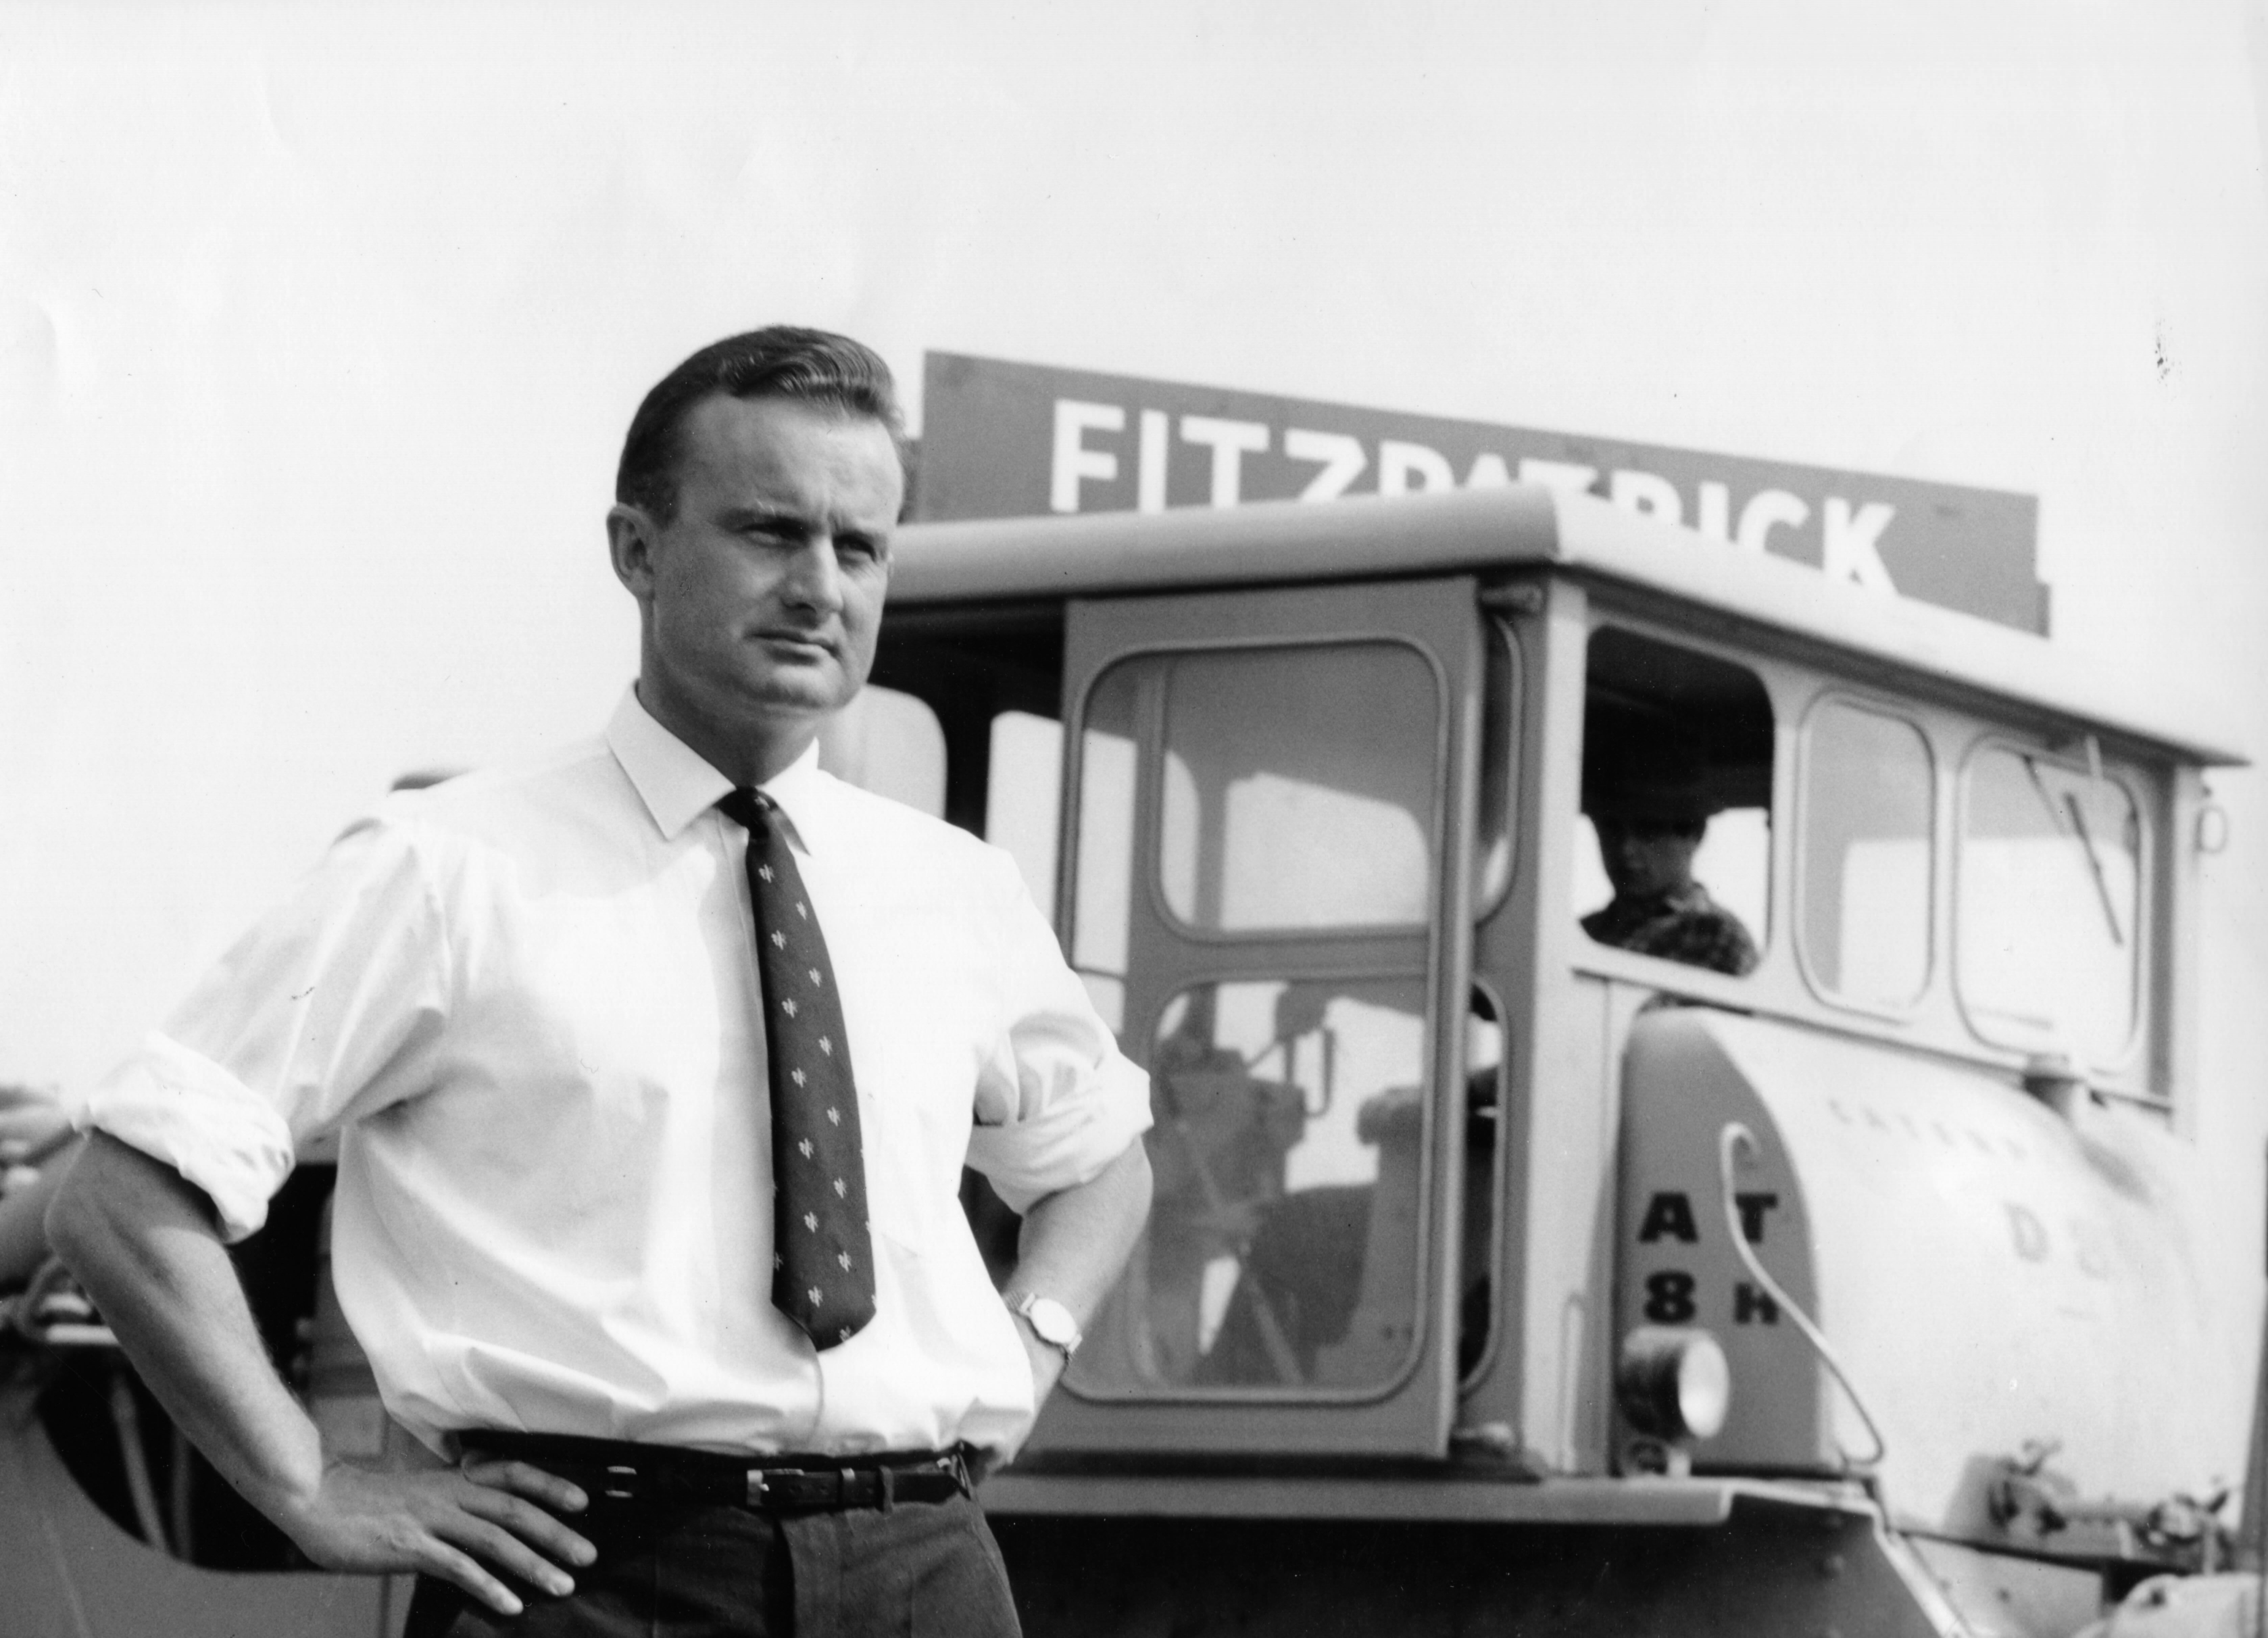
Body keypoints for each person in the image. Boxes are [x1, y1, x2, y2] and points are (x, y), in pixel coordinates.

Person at [45, 327, 1155, 1637]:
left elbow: (1100, 1157)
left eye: (858, 549)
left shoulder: (954, 889)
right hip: (594, 1576)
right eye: (768, 532)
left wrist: (1036, 1341)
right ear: (635, 549)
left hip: (929, 1568)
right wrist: (311, 1486)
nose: (819, 585)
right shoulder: (446, 869)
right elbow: (120, 1195)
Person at [1579, 730, 1759, 977]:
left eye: (1647, 831)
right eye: (1612, 829)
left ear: (1695, 834)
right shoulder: (1583, 933)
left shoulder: (1715, 937)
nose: (1626, 849)